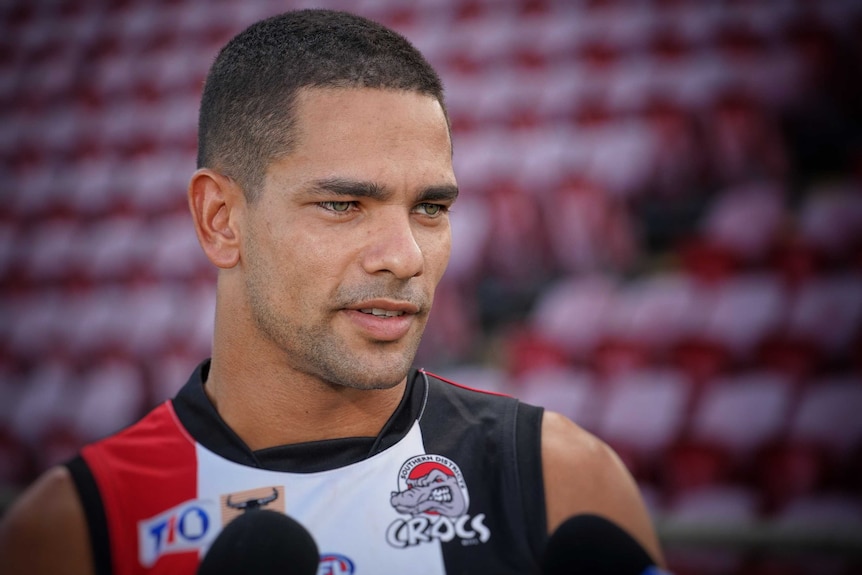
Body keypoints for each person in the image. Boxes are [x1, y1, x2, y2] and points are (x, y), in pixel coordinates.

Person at [0, 9, 663, 574]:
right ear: (220, 220)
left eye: (430, 208)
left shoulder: (562, 480)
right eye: (345, 203)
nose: (404, 255)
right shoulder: (68, 533)